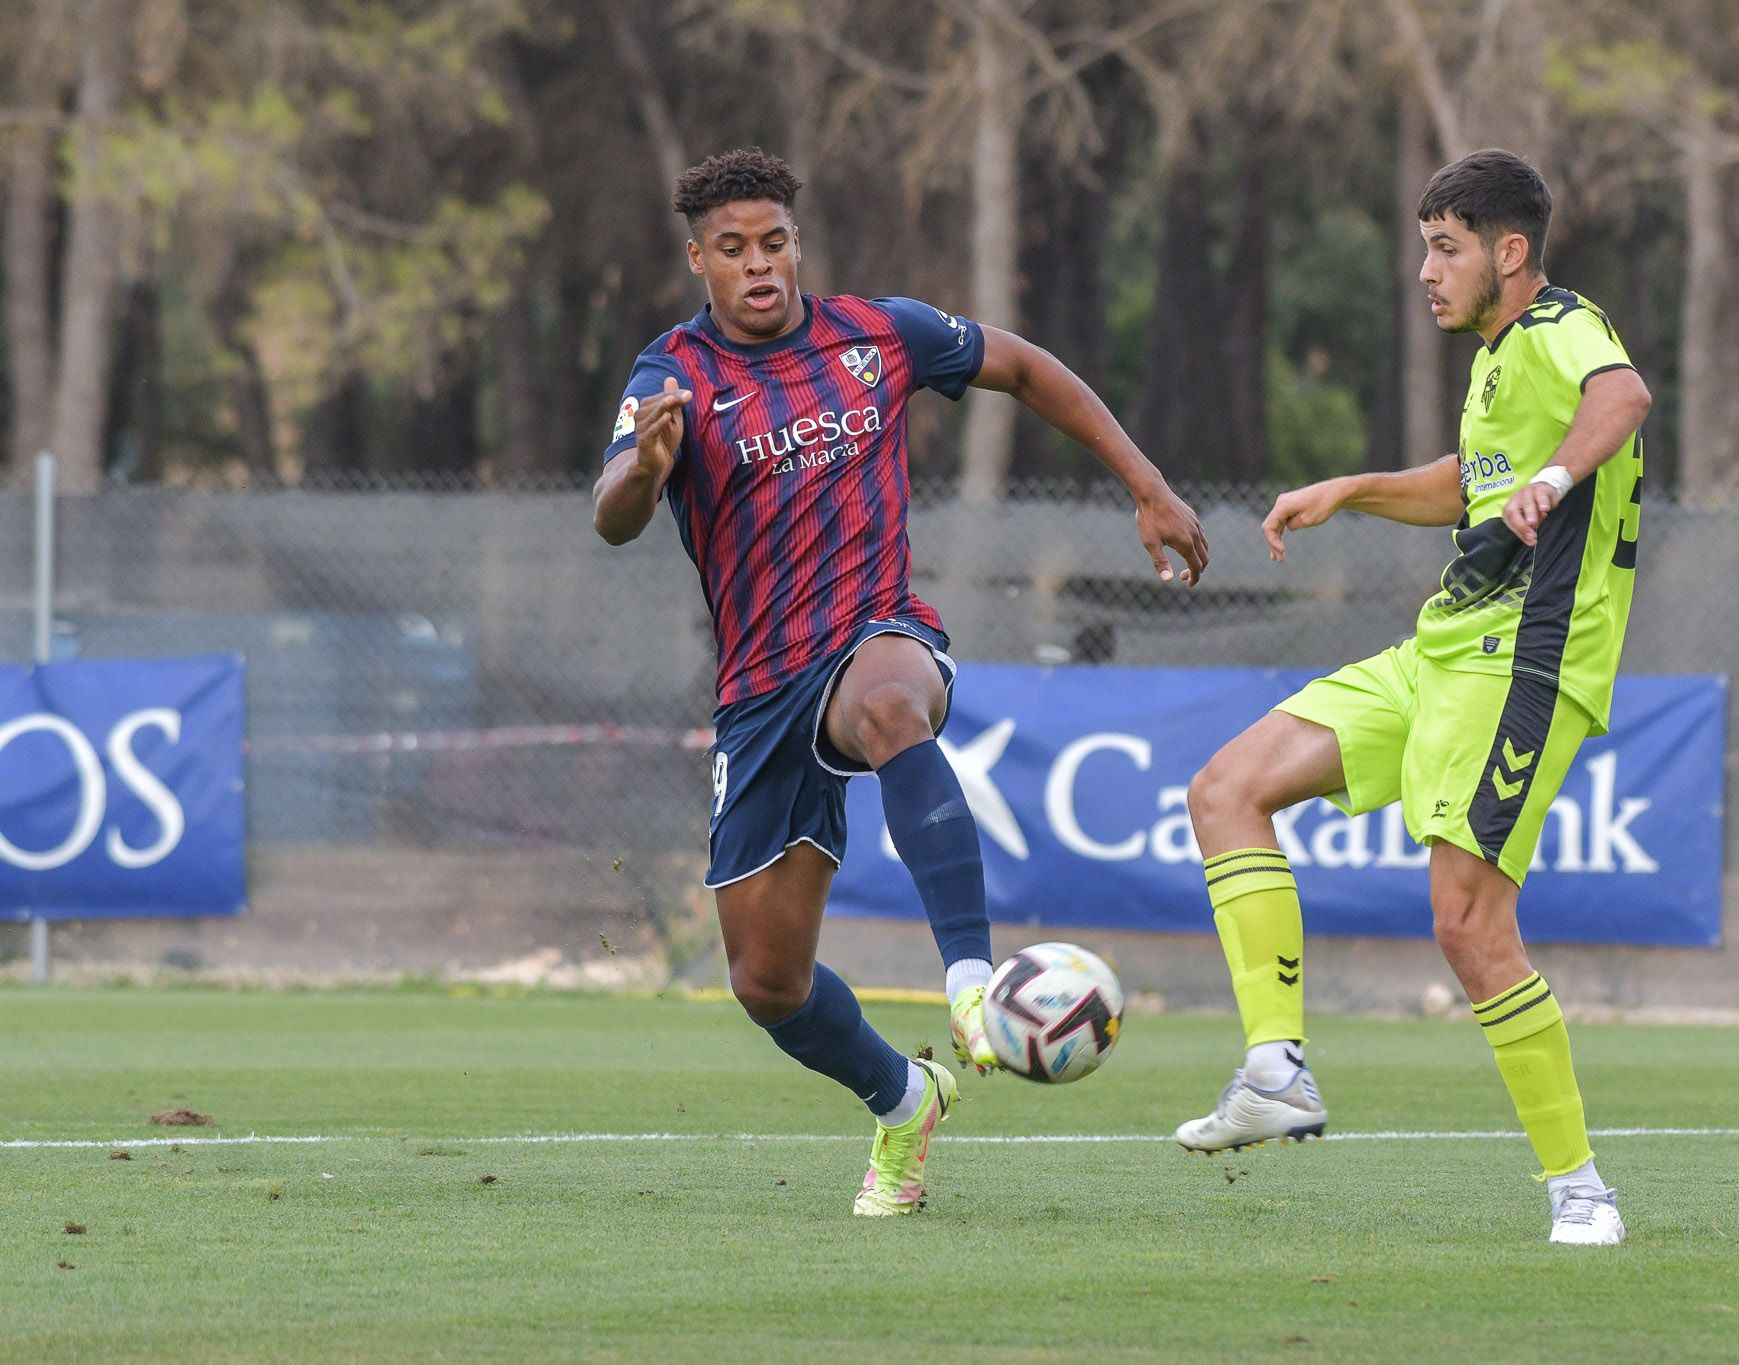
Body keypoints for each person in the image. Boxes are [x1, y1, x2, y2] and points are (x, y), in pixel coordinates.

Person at [593, 148, 1207, 1217]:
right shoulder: (672, 376)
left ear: (797, 245)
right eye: (731, 250)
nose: (758, 267)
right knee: (765, 984)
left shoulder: (878, 336)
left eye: (773, 243)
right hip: (760, 693)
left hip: (878, 632)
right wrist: (643, 471)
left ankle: (969, 983)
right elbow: (610, 513)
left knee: (887, 701)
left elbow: (1021, 367)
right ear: (698, 259)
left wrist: (1145, 484)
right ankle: (902, 1097)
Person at [1171, 148, 1649, 1247]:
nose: (1423, 270)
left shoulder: (1555, 327)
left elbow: (1619, 397)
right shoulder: (1495, 363)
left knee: (1466, 923)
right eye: (1424, 246)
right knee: (1225, 788)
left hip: (1522, 663)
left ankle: (1578, 1188)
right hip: (1439, 652)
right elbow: (1465, 482)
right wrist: (1350, 489)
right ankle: (1274, 1068)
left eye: (1445, 248)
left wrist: (1553, 478)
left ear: (1508, 253)